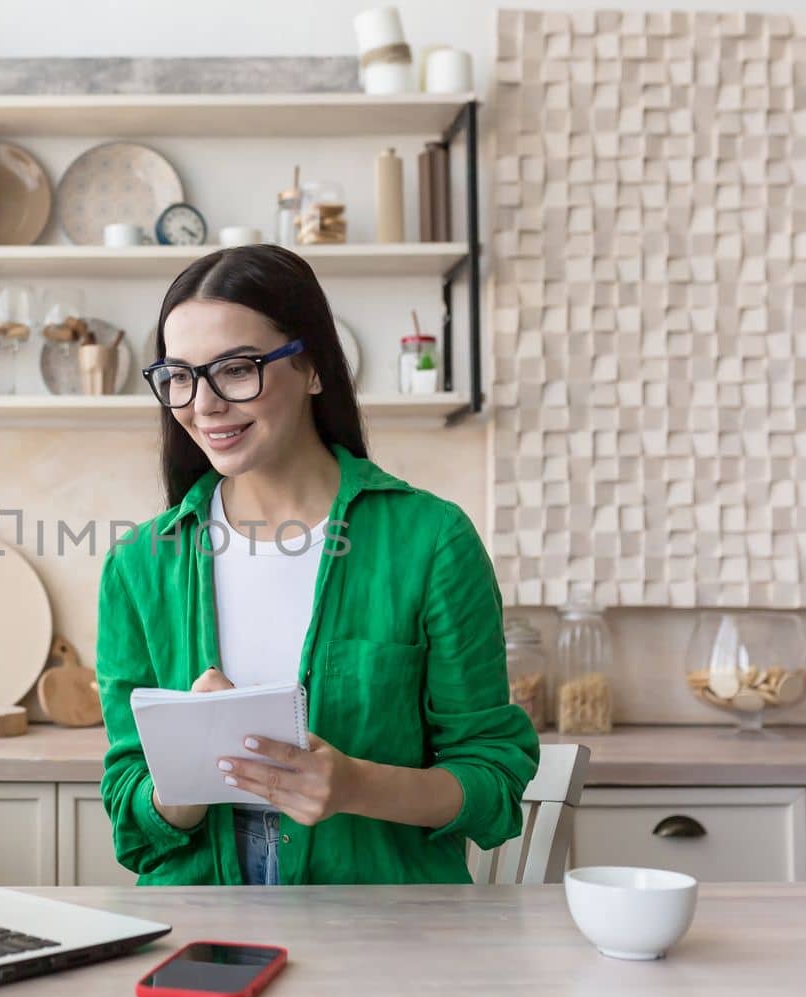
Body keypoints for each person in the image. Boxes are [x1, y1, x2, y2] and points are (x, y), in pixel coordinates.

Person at [96, 245, 538, 886]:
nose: (205, 404)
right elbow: (129, 815)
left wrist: (357, 786)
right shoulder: (138, 566)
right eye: (180, 376)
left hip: (384, 923)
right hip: (201, 921)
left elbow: (494, 778)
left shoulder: (431, 541)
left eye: (237, 369)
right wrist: (187, 769)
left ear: (311, 368)